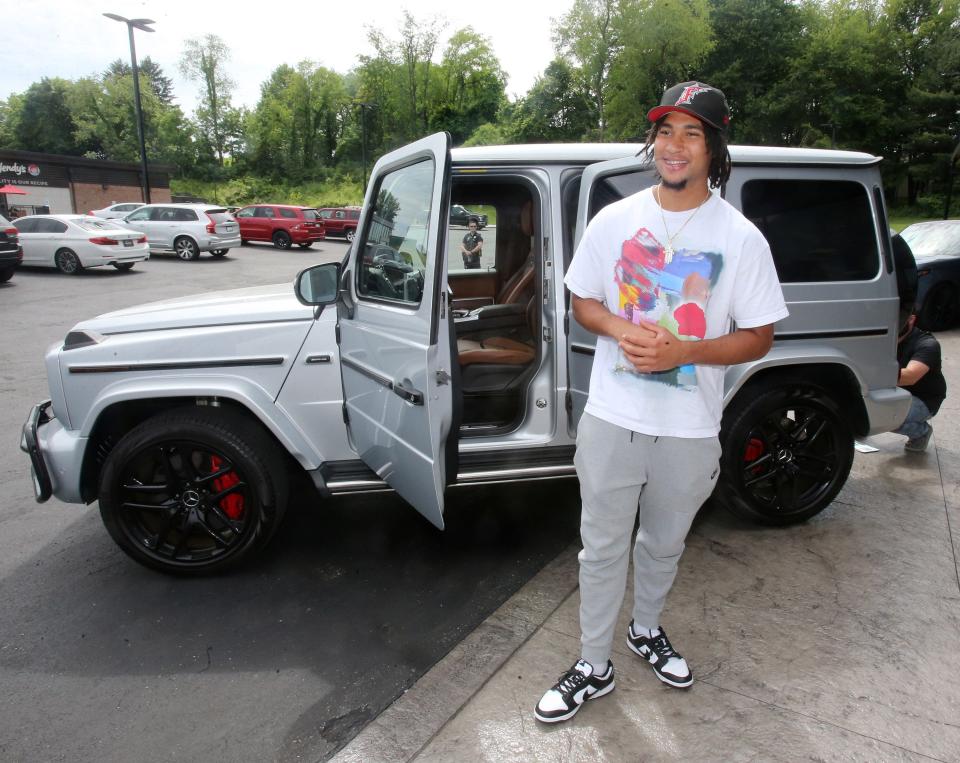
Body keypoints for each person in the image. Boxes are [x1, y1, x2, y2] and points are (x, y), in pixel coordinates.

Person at [535, 81, 789, 724]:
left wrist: (684, 354)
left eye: (692, 133)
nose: (675, 146)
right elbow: (584, 302)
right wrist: (623, 330)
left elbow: (760, 336)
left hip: (690, 427)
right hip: (613, 419)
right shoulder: (615, 220)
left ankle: (644, 630)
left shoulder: (741, 238)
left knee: (665, 543)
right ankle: (594, 662)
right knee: (600, 546)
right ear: (654, 141)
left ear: (713, 147)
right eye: (666, 130)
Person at [893, 313, 946, 452]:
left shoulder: (927, 344)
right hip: (894, 390)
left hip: (925, 399)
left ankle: (921, 432)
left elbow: (910, 377)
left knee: (883, 418)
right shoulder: (883, 338)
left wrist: (869, 373)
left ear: (911, 319)